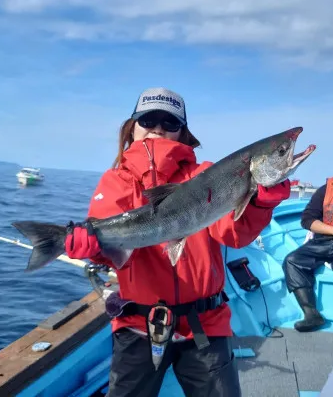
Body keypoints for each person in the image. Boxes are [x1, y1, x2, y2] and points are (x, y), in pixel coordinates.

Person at [65, 87, 291, 397]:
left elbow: (233, 234)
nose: (158, 128)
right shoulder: (117, 180)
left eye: (169, 123)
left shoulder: (205, 174)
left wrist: (260, 203)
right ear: (132, 127)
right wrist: (93, 247)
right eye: (148, 119)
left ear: (183, 133)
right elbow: (117, 252)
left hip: (205, 324)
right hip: (137, 325)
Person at [283, 167, 333, 340]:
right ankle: (311, 314)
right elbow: (307, 220)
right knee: (291, 261)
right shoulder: (325, 190)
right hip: (322, 240)